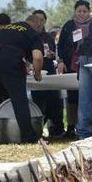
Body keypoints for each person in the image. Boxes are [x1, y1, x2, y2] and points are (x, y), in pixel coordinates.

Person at [0, 15, 44, 144]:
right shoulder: (32, 33)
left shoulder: (5, 29)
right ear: (36, 25)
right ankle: (28, 137)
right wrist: (37, 74)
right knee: (19, 101)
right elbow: (37, 57)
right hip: (11, 63)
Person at [57, 0, 92, 137]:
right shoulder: (68, 25)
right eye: (79, 11)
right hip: (70, 65)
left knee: (87, 95)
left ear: (89, 12)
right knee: (72, 97)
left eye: (84, 11)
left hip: (88, 64)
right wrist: (60, 61)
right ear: (74, 12)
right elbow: (60, 45)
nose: (82, 14)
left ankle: (84, 126)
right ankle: (71, 126)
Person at [29, 10, 64, 138]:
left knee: (54, 100)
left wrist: (54, 57)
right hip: (35, 73)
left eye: (42, 20)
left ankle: (57, 129)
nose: (39, 22)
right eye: (36, 19)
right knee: (38, 102)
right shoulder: (28, 35)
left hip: (49, 71)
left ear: (45, 21)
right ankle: (36, 130)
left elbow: (55, 53)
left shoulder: (48, 37)